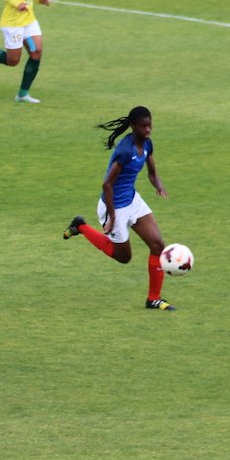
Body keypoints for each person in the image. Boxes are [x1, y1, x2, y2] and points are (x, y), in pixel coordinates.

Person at [62, 106, 176, 311]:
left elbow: (151, 173)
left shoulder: (147, 144)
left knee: (158, 245)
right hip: (112, 205)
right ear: (133, 127)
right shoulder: (125, 152)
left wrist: (158, 186)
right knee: (124, 257)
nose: (148, 130)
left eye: (150, 125)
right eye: (143, 126)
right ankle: (81, 227)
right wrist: (113, 217)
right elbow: (107, 185)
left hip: (132, 200)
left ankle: (153, 299)